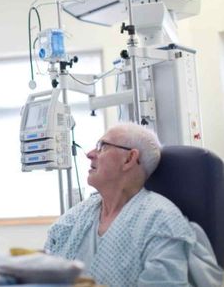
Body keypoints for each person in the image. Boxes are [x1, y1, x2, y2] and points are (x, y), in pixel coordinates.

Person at [44, 123, 223, 287]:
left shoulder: (162, 221)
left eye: (102, 146)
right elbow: (42, 268)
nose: (90, 153)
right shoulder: (76, 217)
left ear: (129, 158)